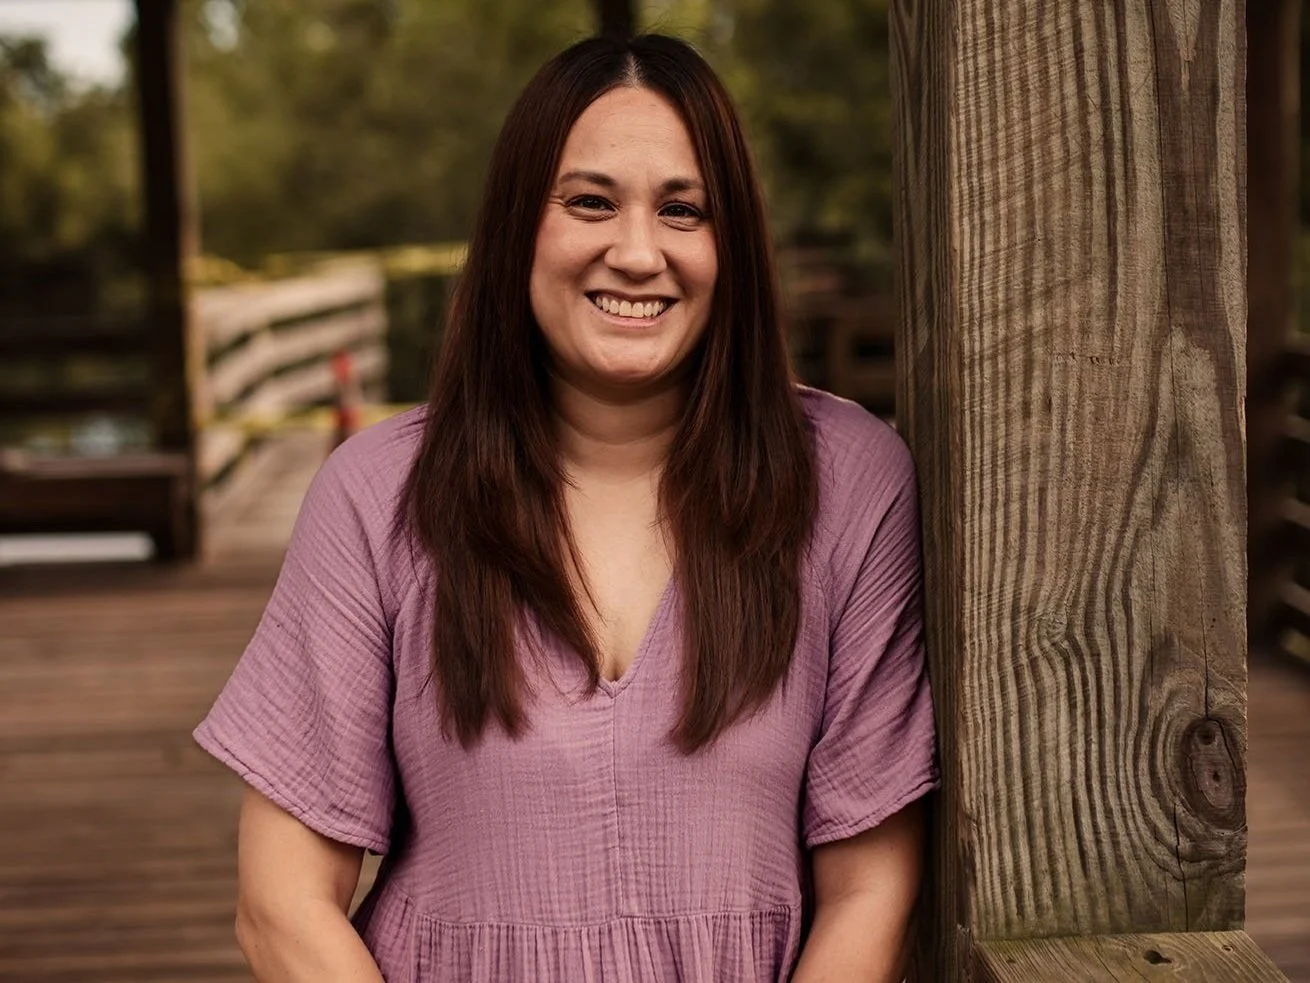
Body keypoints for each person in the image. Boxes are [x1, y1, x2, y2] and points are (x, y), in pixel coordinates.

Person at [194, 32, 938, 983]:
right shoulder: (377, 495)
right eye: (590, 202)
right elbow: (280, 905)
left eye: (684, 209)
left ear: (734, 244)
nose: (637, 252)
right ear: (517, 229)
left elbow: (873, 891)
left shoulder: (850, 485)